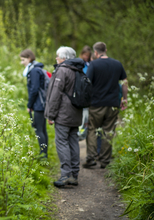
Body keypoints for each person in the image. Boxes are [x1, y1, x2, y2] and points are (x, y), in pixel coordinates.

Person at [83, 42, 128, 169]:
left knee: (92, 129)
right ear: (106, 50)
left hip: (96, 104)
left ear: (95, 53)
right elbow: (124, 82)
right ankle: (105, 160)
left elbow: (87, 83)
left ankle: (91, 158)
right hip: (113, 104)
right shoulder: (117, 64)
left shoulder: (93, 64)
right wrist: (124, 99)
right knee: (108, 131)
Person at [44, 46, 84, 187]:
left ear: (64, 58)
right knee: (73, 142)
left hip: (63, 114)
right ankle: (74, 175)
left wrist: (50, 114)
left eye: (58, 56)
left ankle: (65, 175)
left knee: (62, 142)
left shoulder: (62, 70)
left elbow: (55, 95)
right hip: (76, 113)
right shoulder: (78, 70)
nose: (56, 58)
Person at [20, 49, 49, 159]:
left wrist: (29, 104)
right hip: (41, 103)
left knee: (39, 129)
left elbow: (34, 89)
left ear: (29, 58)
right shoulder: (37, 69)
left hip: (39, 104)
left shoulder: (34, 71)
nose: (22, 62)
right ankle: (44, 153)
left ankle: (43, 154)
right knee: (42, 129)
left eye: (23, 60)